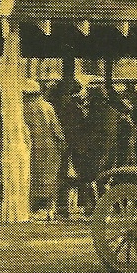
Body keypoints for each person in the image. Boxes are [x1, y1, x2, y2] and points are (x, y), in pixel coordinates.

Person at [51, 80, 91, 216]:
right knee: (79, 177)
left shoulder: (61, 108)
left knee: (66, 177)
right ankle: (80, 206)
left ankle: (67, 207)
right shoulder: (76, 110)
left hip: (70, 147)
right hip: (75, 147)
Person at [23, 81, 64, 218]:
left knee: (32, 177)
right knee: (49, 178)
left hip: (31, 148)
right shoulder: (47, 107)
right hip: (49, 148)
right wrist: (61, 144)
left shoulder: (22, 108)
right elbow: (56, 129)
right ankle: (49, 209)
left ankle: (31, 209)